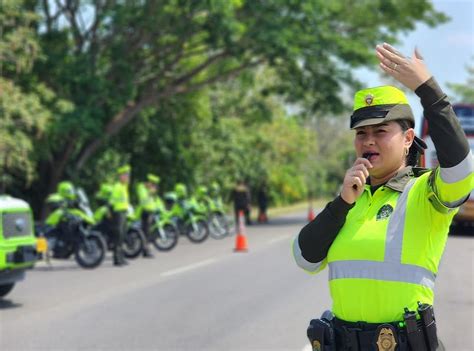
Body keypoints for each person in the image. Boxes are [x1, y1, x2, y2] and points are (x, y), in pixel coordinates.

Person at [293, 43, 473, 351]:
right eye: (361, 134)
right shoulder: (350, 199)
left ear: (406, 140)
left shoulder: (424, 191)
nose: (369, 141)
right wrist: (341, 204)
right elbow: (304, 258)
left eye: (380, 131)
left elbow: (460, 172)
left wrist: (428, 91)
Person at [109, 165, 131, 266]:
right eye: (126, 175)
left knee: (122, 236)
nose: (127, 177)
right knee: (118, 237)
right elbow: (112, 202)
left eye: (128, 175)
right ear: (121, 176)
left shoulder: (124, 187)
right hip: (118, 213)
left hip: (123, 212)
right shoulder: (117, 187)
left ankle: (121, 258)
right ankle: (117, 259)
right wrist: (112, 213)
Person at [136, 174, 160, 258]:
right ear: (148, 182)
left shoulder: (148, 189)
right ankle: (145, 251)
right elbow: (143, 199)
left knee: (148, 232)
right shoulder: (141, 187)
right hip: (144, 212)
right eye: (152, 183)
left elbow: (153, 201)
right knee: (145, 232)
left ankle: (146, 249)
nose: (152, 186)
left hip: (150, 212)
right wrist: (150, 192)